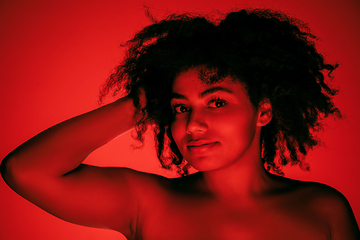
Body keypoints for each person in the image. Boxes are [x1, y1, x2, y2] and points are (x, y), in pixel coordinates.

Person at [1, 8, 359, 240]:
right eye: (179, 108)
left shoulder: (323, 208)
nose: (193, 125)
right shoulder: (147, 203)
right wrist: (141, 103)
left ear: (263, 112)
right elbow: (25, 170)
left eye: (216, 102)